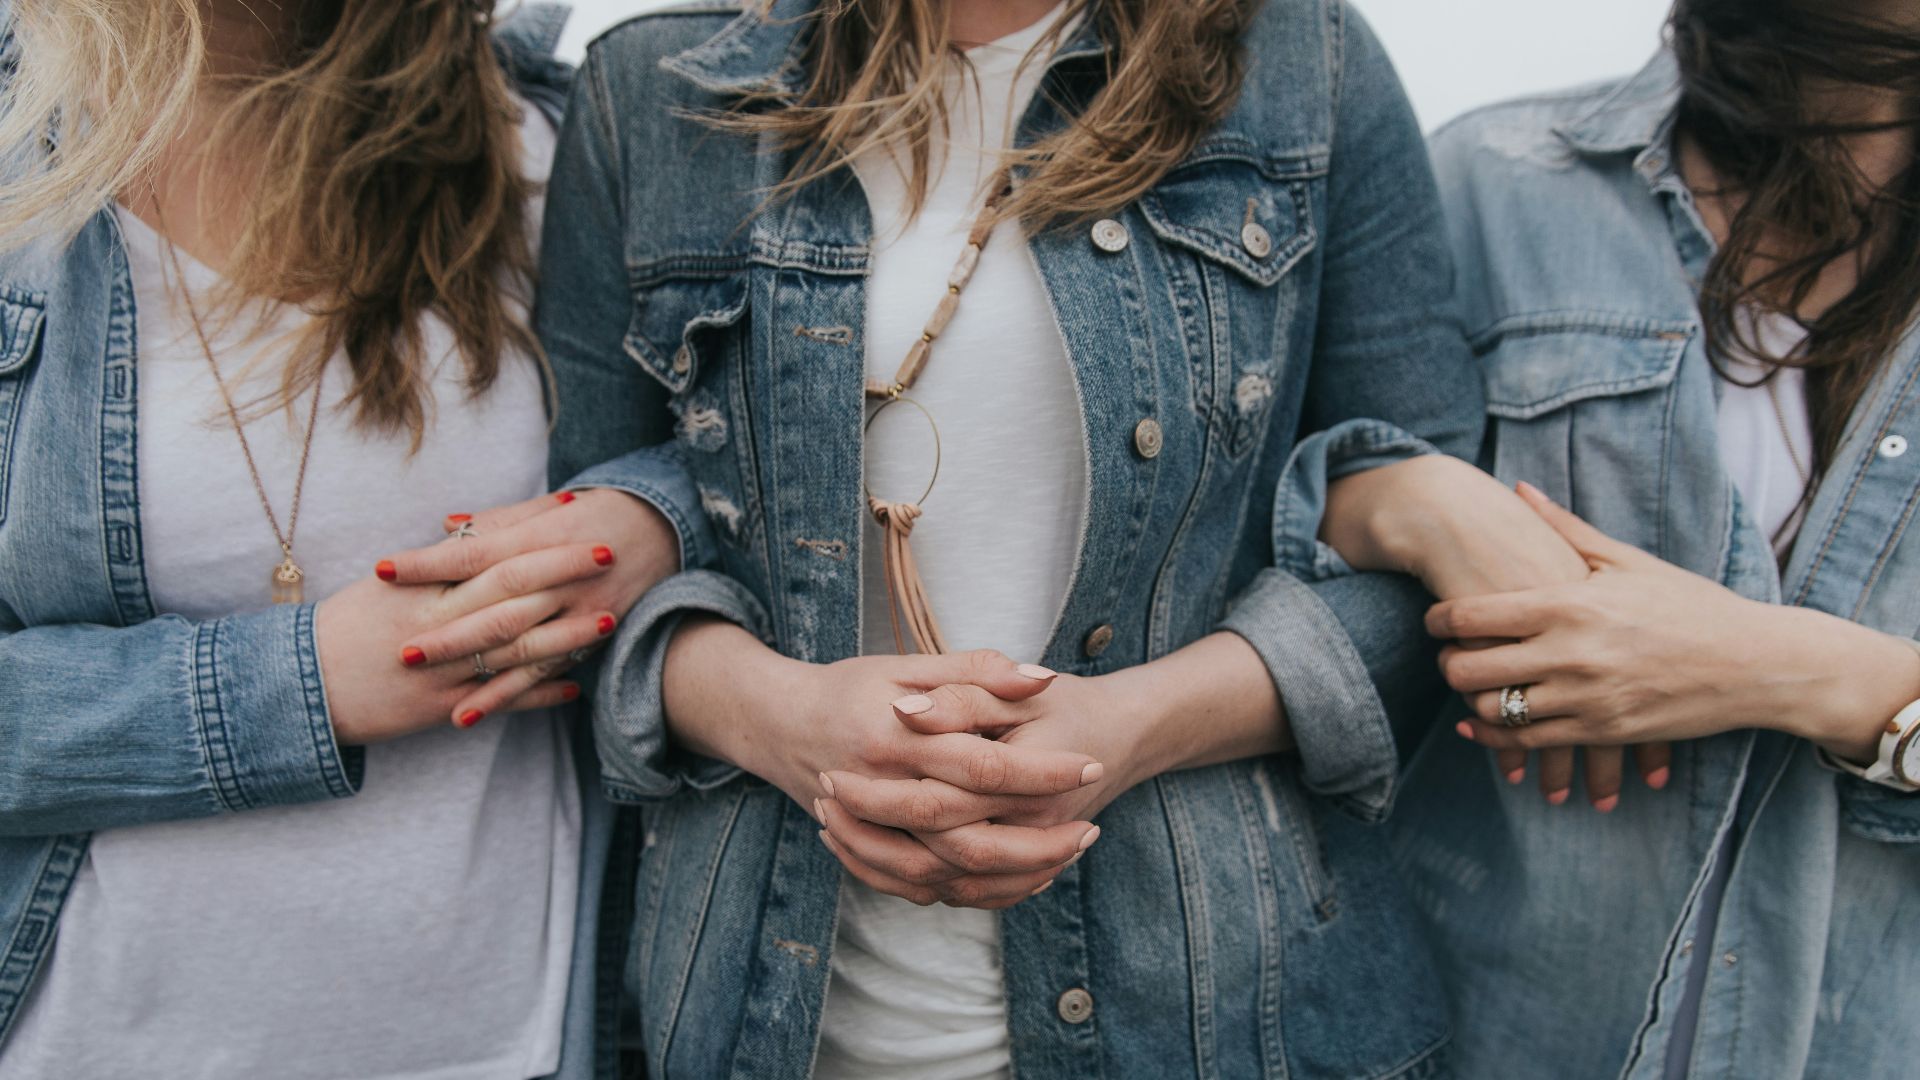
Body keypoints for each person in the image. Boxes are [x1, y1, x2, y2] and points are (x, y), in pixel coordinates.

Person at [386, 0, 1510, 1075]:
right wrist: (783, 719)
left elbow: (1423, 567)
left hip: (1230, 1016)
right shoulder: (658, 85)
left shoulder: (1306, 61)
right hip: (767, 1022)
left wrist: (1131, 728)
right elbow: (600, 556)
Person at [0, 3, 691, 1076]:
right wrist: (302, 684)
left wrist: (649, 521)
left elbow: (743, 456)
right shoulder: (18, 156)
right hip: (96, 1044)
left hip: (520, 1040)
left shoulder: (560, 126)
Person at [1316, 0, 1920, 1074]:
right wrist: (1411, 496)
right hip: (1480, 1031)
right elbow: (1252, 535)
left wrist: (1794, 671)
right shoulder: (1495, 185)